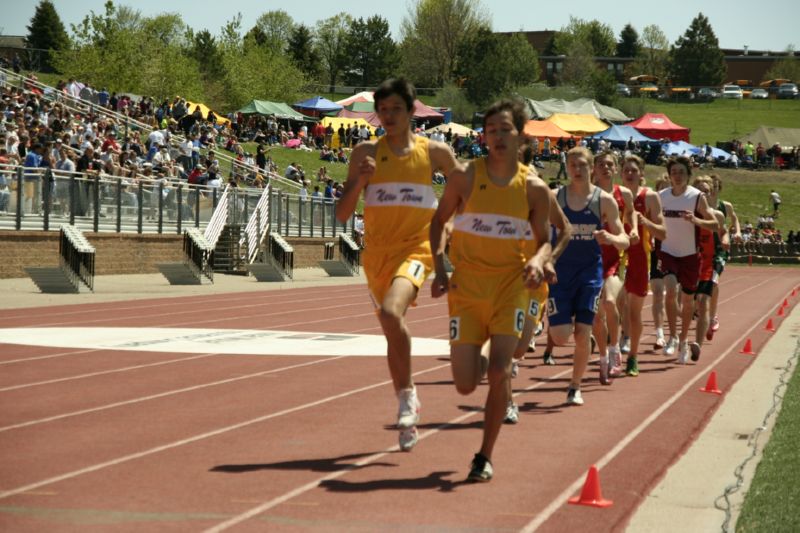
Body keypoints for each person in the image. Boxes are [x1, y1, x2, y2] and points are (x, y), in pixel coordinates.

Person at [335, 78, 459, 452]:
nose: (388, 117)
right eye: (383, 110)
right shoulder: (364, 153)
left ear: (411, 111)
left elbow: (463, 195)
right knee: (392, 329)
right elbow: (342, 215)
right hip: (376, 255)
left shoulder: (434, 153)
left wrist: (447, 232)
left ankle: (407, 397)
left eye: (396, 110)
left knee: (392, 312)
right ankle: (406, 393)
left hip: (417, 248)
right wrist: (359, 182)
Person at [430, 98, 551, 481]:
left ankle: (484, 455)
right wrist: (438, 267)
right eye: (492, 130)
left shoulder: (533, 188)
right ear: (484, 135)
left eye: (506, 130)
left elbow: (546, 239)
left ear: (520, 136)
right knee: (466, 385)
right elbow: (438, 222)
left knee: (501, 370)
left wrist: (537, 260)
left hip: (509, 287)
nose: (498, 136)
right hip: (466, 287)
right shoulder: (465, 176)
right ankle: (484, 350)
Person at [547, 147, 628, 405]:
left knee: (581, 333)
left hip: (589, 275)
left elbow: (624, 239)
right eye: (572, 165)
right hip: (559, 274)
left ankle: (575, 385)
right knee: (560, 337)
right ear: (567, 167)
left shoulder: (603, 200)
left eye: (582, 165)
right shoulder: (555, 197)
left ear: (591, 168)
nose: (577, 169)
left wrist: (611, 237)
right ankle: (583, 335)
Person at [505, 140, 572, 424]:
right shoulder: (498, 192)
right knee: (507, 345)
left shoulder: (541, 195)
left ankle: (510, 363)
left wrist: (550, 260)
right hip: (506, 278)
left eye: (528, 167)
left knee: (521, 347)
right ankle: (507, 402)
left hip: (535, 282)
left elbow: (565, 229)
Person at [658, 156, 719, 363]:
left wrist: (696, 220)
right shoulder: (661, 196)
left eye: (681, 172)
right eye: (674, 172)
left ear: (688, 175)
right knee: (670, 288)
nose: (677, 176)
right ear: (669, 174)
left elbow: (714, 224)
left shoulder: (696, 197)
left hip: (690, 255)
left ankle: (684, 340)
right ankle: (672, 337)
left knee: (687, 300)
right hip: (667, 252)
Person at [591, 151, 635, 383]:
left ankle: (615, 349)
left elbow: (631, 214)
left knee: (609, 301)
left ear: (616, 169)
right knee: (596, 316)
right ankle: (602, 355)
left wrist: (633, 229)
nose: (606, 168)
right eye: (601, 164)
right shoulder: (586, 194)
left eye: (610, 165)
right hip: (589, 260)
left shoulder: (623, 193)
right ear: (594, 169)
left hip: (615, 257)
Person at [620, 155, 666, 376]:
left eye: (634, 170)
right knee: (612, 303)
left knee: (633, 311)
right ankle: (616, 344)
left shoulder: (651, 197)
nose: (630, 174)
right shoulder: (613, 196)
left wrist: (644, 221)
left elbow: (662, 232)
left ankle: (632, 355)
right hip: (615, 255)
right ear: (621, 174)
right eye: (626, 170)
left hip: (640, 257)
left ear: (641, 174)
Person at [706, 174, 741, 339]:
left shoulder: (725, 206)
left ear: (718, 188)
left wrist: (738, 231)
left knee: (713, 282)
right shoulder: (699, 205)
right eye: (708, 186)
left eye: (714, 186)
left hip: (719, 248)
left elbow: (734, 218)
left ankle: (712, 317)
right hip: (700, 247)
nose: (711, 189)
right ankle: (700, 310)